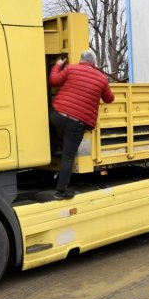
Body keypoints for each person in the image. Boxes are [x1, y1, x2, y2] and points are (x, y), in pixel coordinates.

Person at [49, 49, 114, 200]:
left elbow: (53, 81)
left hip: (58, 116)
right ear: (94, 63)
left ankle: (54, 145)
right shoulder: (101, 78)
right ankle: (61, 191)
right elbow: (109, 99)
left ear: (81, 60)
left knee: (45, 118)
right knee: (68, 157)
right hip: (76, 124)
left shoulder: (70, 69)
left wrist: (58, 65)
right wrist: (104, 84)